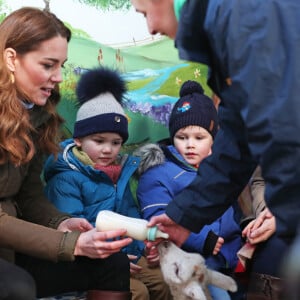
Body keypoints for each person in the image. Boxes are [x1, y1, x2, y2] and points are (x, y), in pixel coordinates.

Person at [130, 0, 300, 299]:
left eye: (144, 13)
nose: (151, 28)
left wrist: (287, 219)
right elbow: (238, 140)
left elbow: (285, 124)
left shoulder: (244, 15)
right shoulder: (228, 26)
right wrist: (184, 215)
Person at [0, 7, 132, 300]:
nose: (59, 77)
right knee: (16, 287)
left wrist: (60, 223)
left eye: (62, 65)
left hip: (13, 248)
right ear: (11, 59)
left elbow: (29, 196)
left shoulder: (36, 117)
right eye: (48, 65)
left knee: (111, 263)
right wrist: (69, 244)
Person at [43, 67, 172, 300]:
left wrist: (146, 246)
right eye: (99, 140)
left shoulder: (121, 174)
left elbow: (131, 217)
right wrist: (118, 259)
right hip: (89, 259)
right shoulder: (66, 178)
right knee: (138, 292)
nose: (107, 149)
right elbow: (75, 231)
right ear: (79, 140)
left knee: (164, 281)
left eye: (115, 142)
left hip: (126, 252)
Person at [134, 80, 242, 299]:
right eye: (182, 137)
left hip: (229, 255)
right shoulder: (158, 172)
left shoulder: (222, 171)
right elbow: (157, 217)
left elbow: (233, 211)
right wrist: (203, 239)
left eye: (199, 138)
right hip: (189, 258)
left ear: (214, 140)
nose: (190, 144)